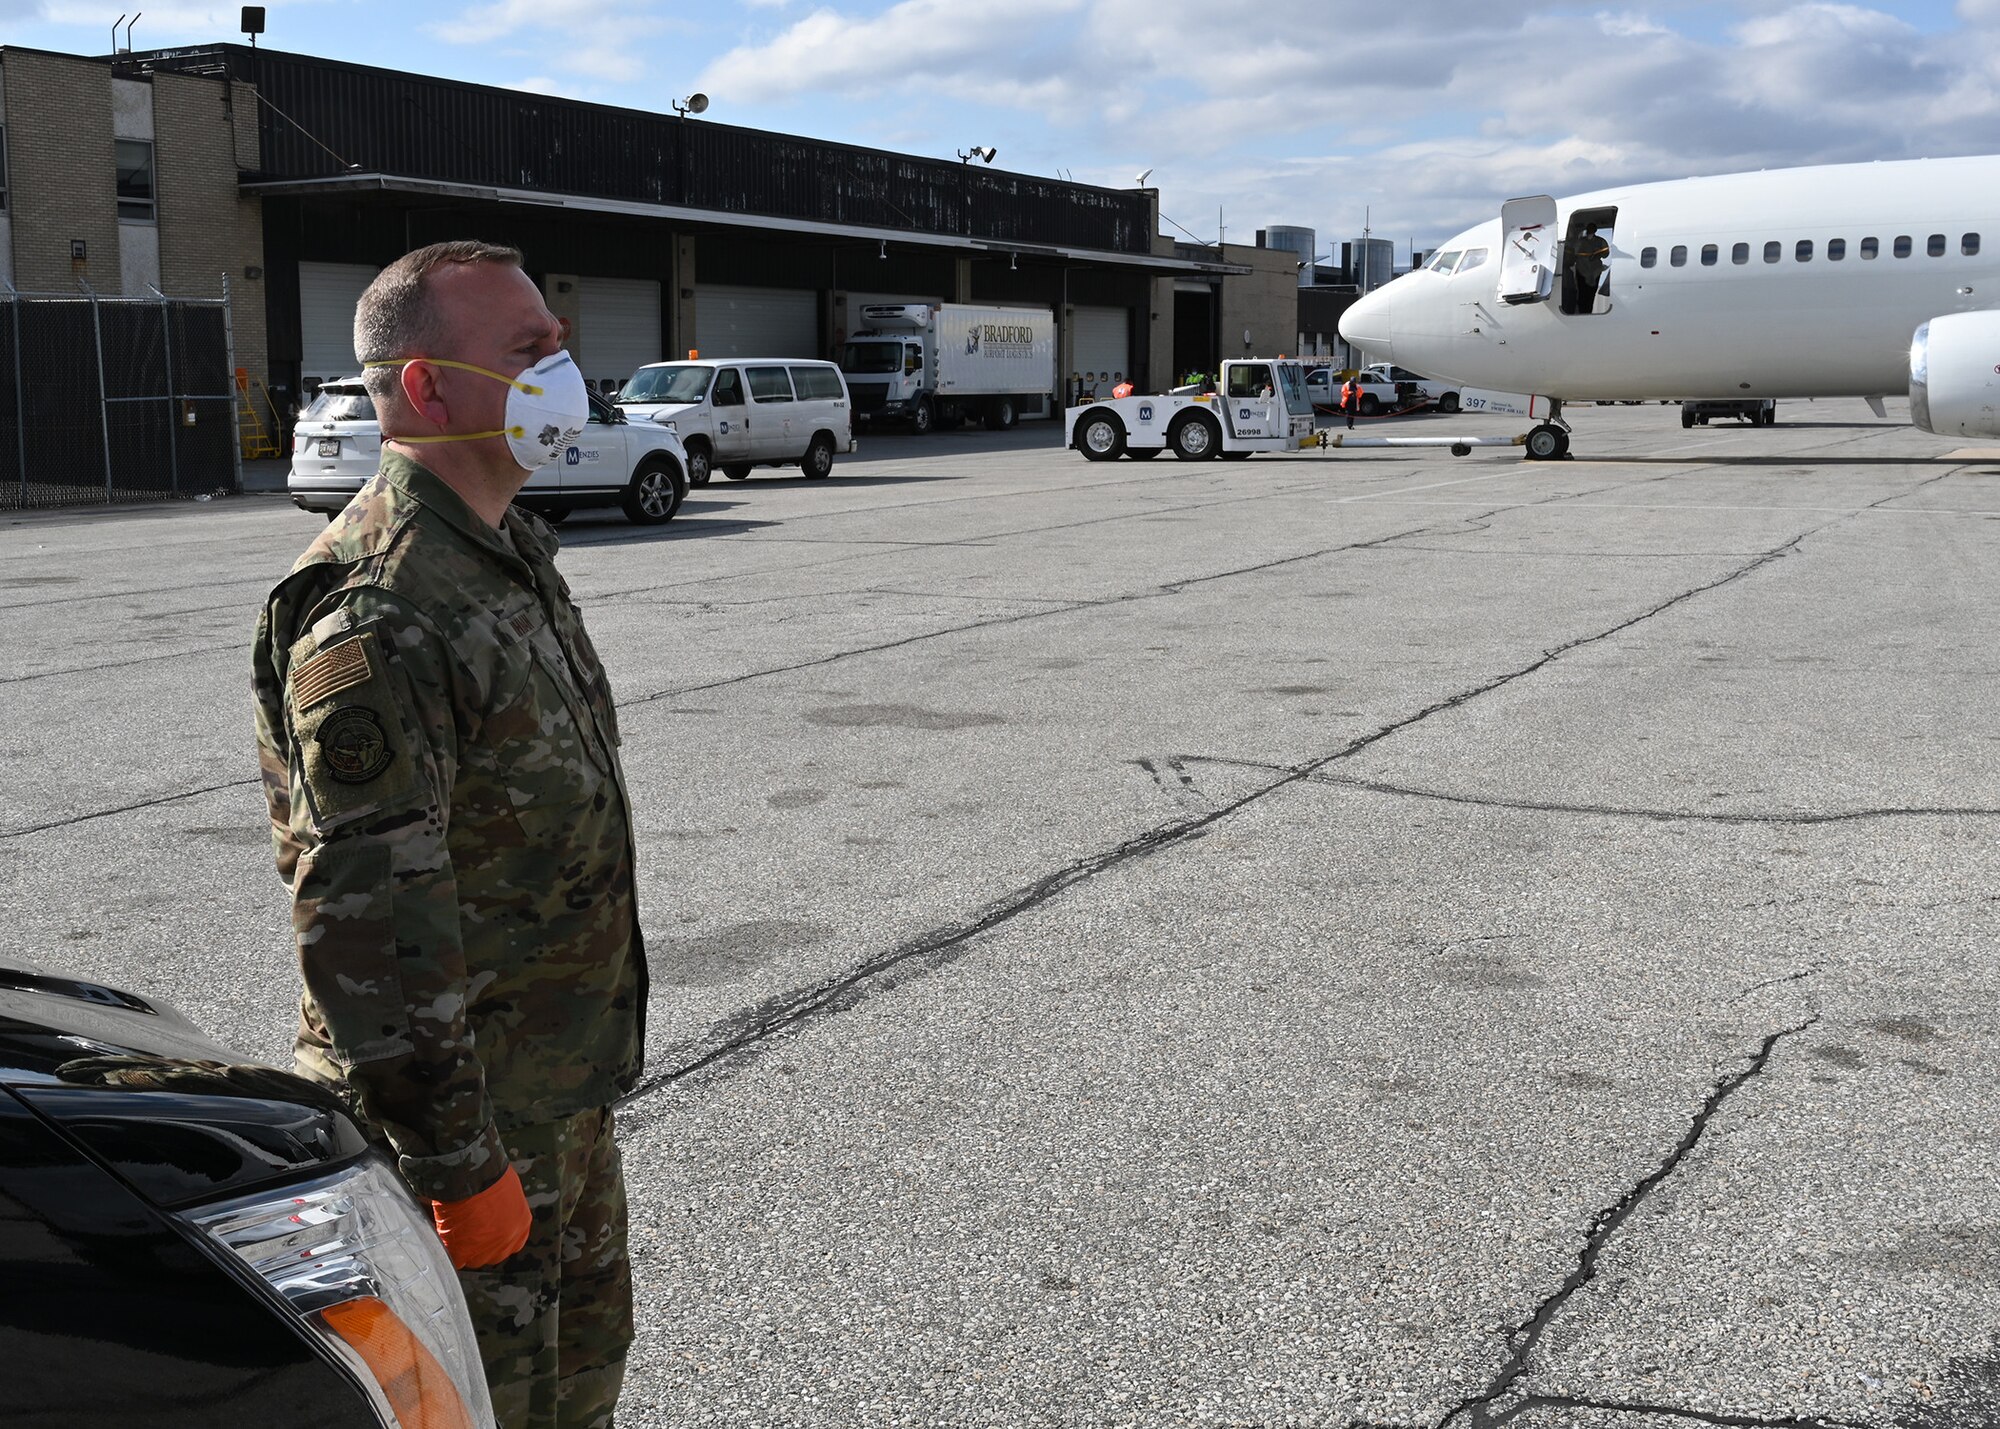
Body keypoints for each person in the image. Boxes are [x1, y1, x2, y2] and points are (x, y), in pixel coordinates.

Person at [250, 240, 647, 1429]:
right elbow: (366, 919)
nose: (563, 371)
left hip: (554, 1097)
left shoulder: (507, 555)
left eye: (560, 345)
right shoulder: (381, 606)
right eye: (529, 352)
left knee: (575, 1396)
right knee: (476, 1412)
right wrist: (456, 1162)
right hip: (465, 1134)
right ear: (426, 389)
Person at [1571, 224, 1609, 314]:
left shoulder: (1600, 241)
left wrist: (1596, 254)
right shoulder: (1580, 242)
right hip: (1582, 271)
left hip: (1594, 272)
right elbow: (1573, 255)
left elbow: (1605, 254)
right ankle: (1582, 312)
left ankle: (1587, 312)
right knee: (1582, 293)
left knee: (1591, 294)